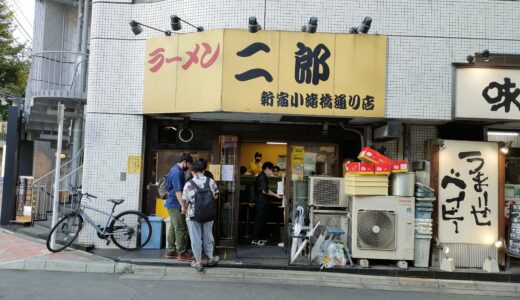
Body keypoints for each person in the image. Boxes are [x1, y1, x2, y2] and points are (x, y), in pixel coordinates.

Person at [182, 160, 220, 271]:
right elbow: (216, 195)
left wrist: (184, 210)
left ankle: (198, 262)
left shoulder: (189, 184)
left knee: (195, 238)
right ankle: (211, 257)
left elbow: (184, 201)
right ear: (203, 170)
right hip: (208, 213)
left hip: (193, 215)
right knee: (208, 235)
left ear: (192, 171)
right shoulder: (211, 181)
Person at [164, 153, 194, 261]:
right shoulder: (177, 173)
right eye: (189, 164)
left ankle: (171, 251)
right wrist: (183, 205)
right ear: (185, 162)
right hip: (176, 204)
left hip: (171, 203)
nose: (189, 167)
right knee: (181, 228)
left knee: (173, 227)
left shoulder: (174, 169)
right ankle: (182, 252)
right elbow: (178, 191)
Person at [251, 161, 283, 246]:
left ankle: (259, 238)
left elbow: (266, 189)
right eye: (271, 170)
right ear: (267, 169)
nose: (271, 172)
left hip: (262, 202)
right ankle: (255, 239)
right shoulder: (262, 177)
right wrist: (276, 195)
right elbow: (265, 191)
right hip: (261, 202)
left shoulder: (263, 176)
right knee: (259, 221)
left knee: (261, 220)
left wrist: (275, 195)